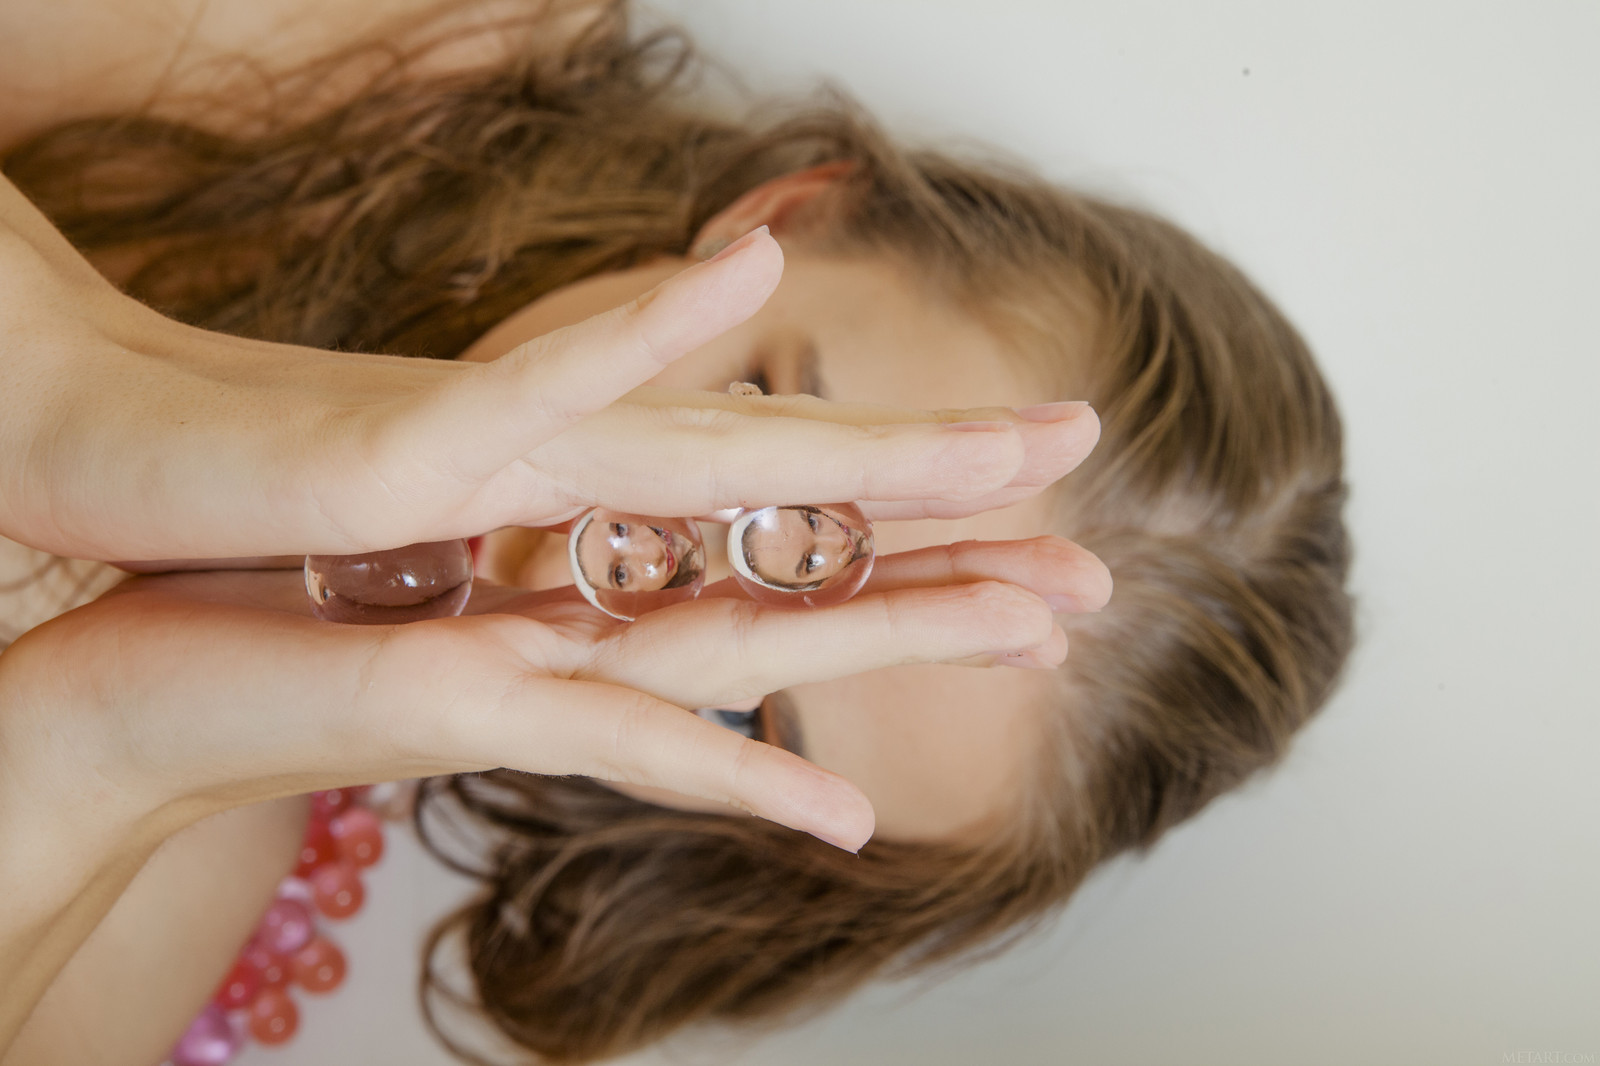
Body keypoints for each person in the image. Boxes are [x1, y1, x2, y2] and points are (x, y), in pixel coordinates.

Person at [0, 2, 1352, 1065]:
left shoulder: (159, 859)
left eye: (750, 706)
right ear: (780, 218)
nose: (636, 564)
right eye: (763, 423)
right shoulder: (348, 31)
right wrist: (75, 402)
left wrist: (100, 734)